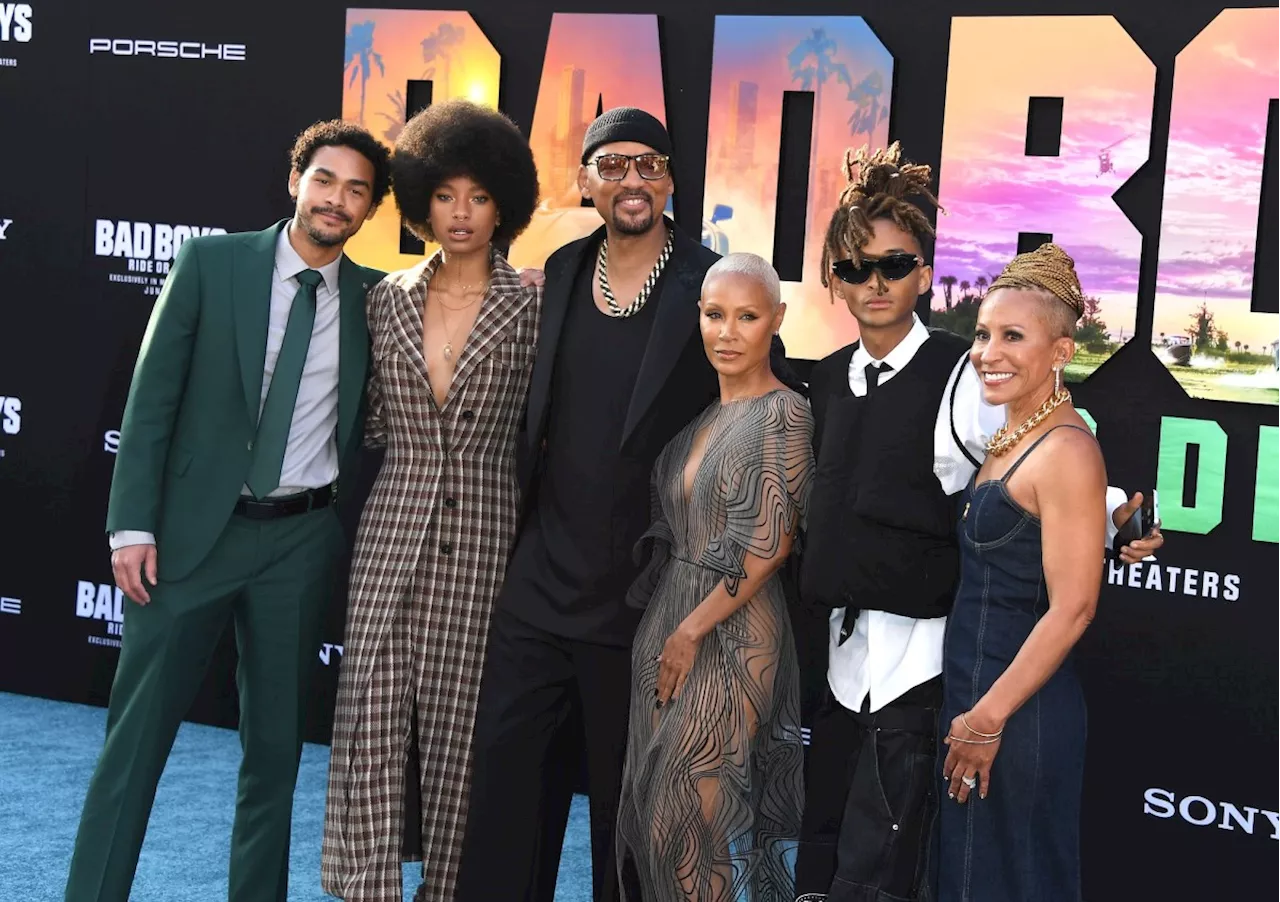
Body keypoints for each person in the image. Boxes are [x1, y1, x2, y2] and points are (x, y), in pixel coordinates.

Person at [793, 145, 1162, 902]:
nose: (874, 282)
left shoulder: (962, 374)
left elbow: (1051, 459)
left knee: (902, 875)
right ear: (836, 277)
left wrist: (1115, 515)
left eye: (893, 265)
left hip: (928, 676)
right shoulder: (828, 377)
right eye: (855, 267)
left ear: (924, 273)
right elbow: (1018, 462)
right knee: (832, 864)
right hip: (841, 669)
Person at [455, 108, 797, 902]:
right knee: (505, 807)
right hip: (539, 586)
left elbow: (759, 409)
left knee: (632, 826)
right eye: (611, 166)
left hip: (645, 603)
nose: (631, 180)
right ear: (586, 181)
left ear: (672, 178)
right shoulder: (563, 271)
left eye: (647, 164)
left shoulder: (712, 286)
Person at [64, 121, 391, 902]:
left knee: (274, 756)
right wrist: (132, 524)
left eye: (356, 190)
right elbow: (150, 403)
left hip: (301, 542)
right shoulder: (211, 264)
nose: (335, 200)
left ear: (371, 208)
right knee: (134, 745)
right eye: (324, 180)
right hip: (188, 540)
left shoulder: (379, 299)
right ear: (295, 182)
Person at [320, 100, 540, 902]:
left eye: (479, 197)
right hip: (390, 533)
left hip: (488, 538)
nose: (461, 214)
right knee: (367, 725)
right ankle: (365, 889)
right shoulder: (386, 300)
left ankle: (448, 891)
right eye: (445, 196)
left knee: (460, 742)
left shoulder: (534, 306)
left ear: (504, 204)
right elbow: (369, 416)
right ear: (419, 201)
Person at [616, 253, 812, 901]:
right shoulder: (703, 419)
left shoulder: (784, 414)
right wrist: (671, 631)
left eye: (747, 317)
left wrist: (691, 631)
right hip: (672, 624)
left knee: (686, 814)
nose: (727, 332)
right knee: (660, 826)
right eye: (714, 315)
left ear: (776, 321)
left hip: (733, 635)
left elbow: (772, 544)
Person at [937, 242, 1109, 901]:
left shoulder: (1066, 449)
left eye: (1013, 336)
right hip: (979, 702)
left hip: (1017, 716)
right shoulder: (1014, 437)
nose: (988, 352)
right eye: (982, 334)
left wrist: (988, 718)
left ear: (1061, 352)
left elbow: (1074, 608)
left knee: (1012, 881)